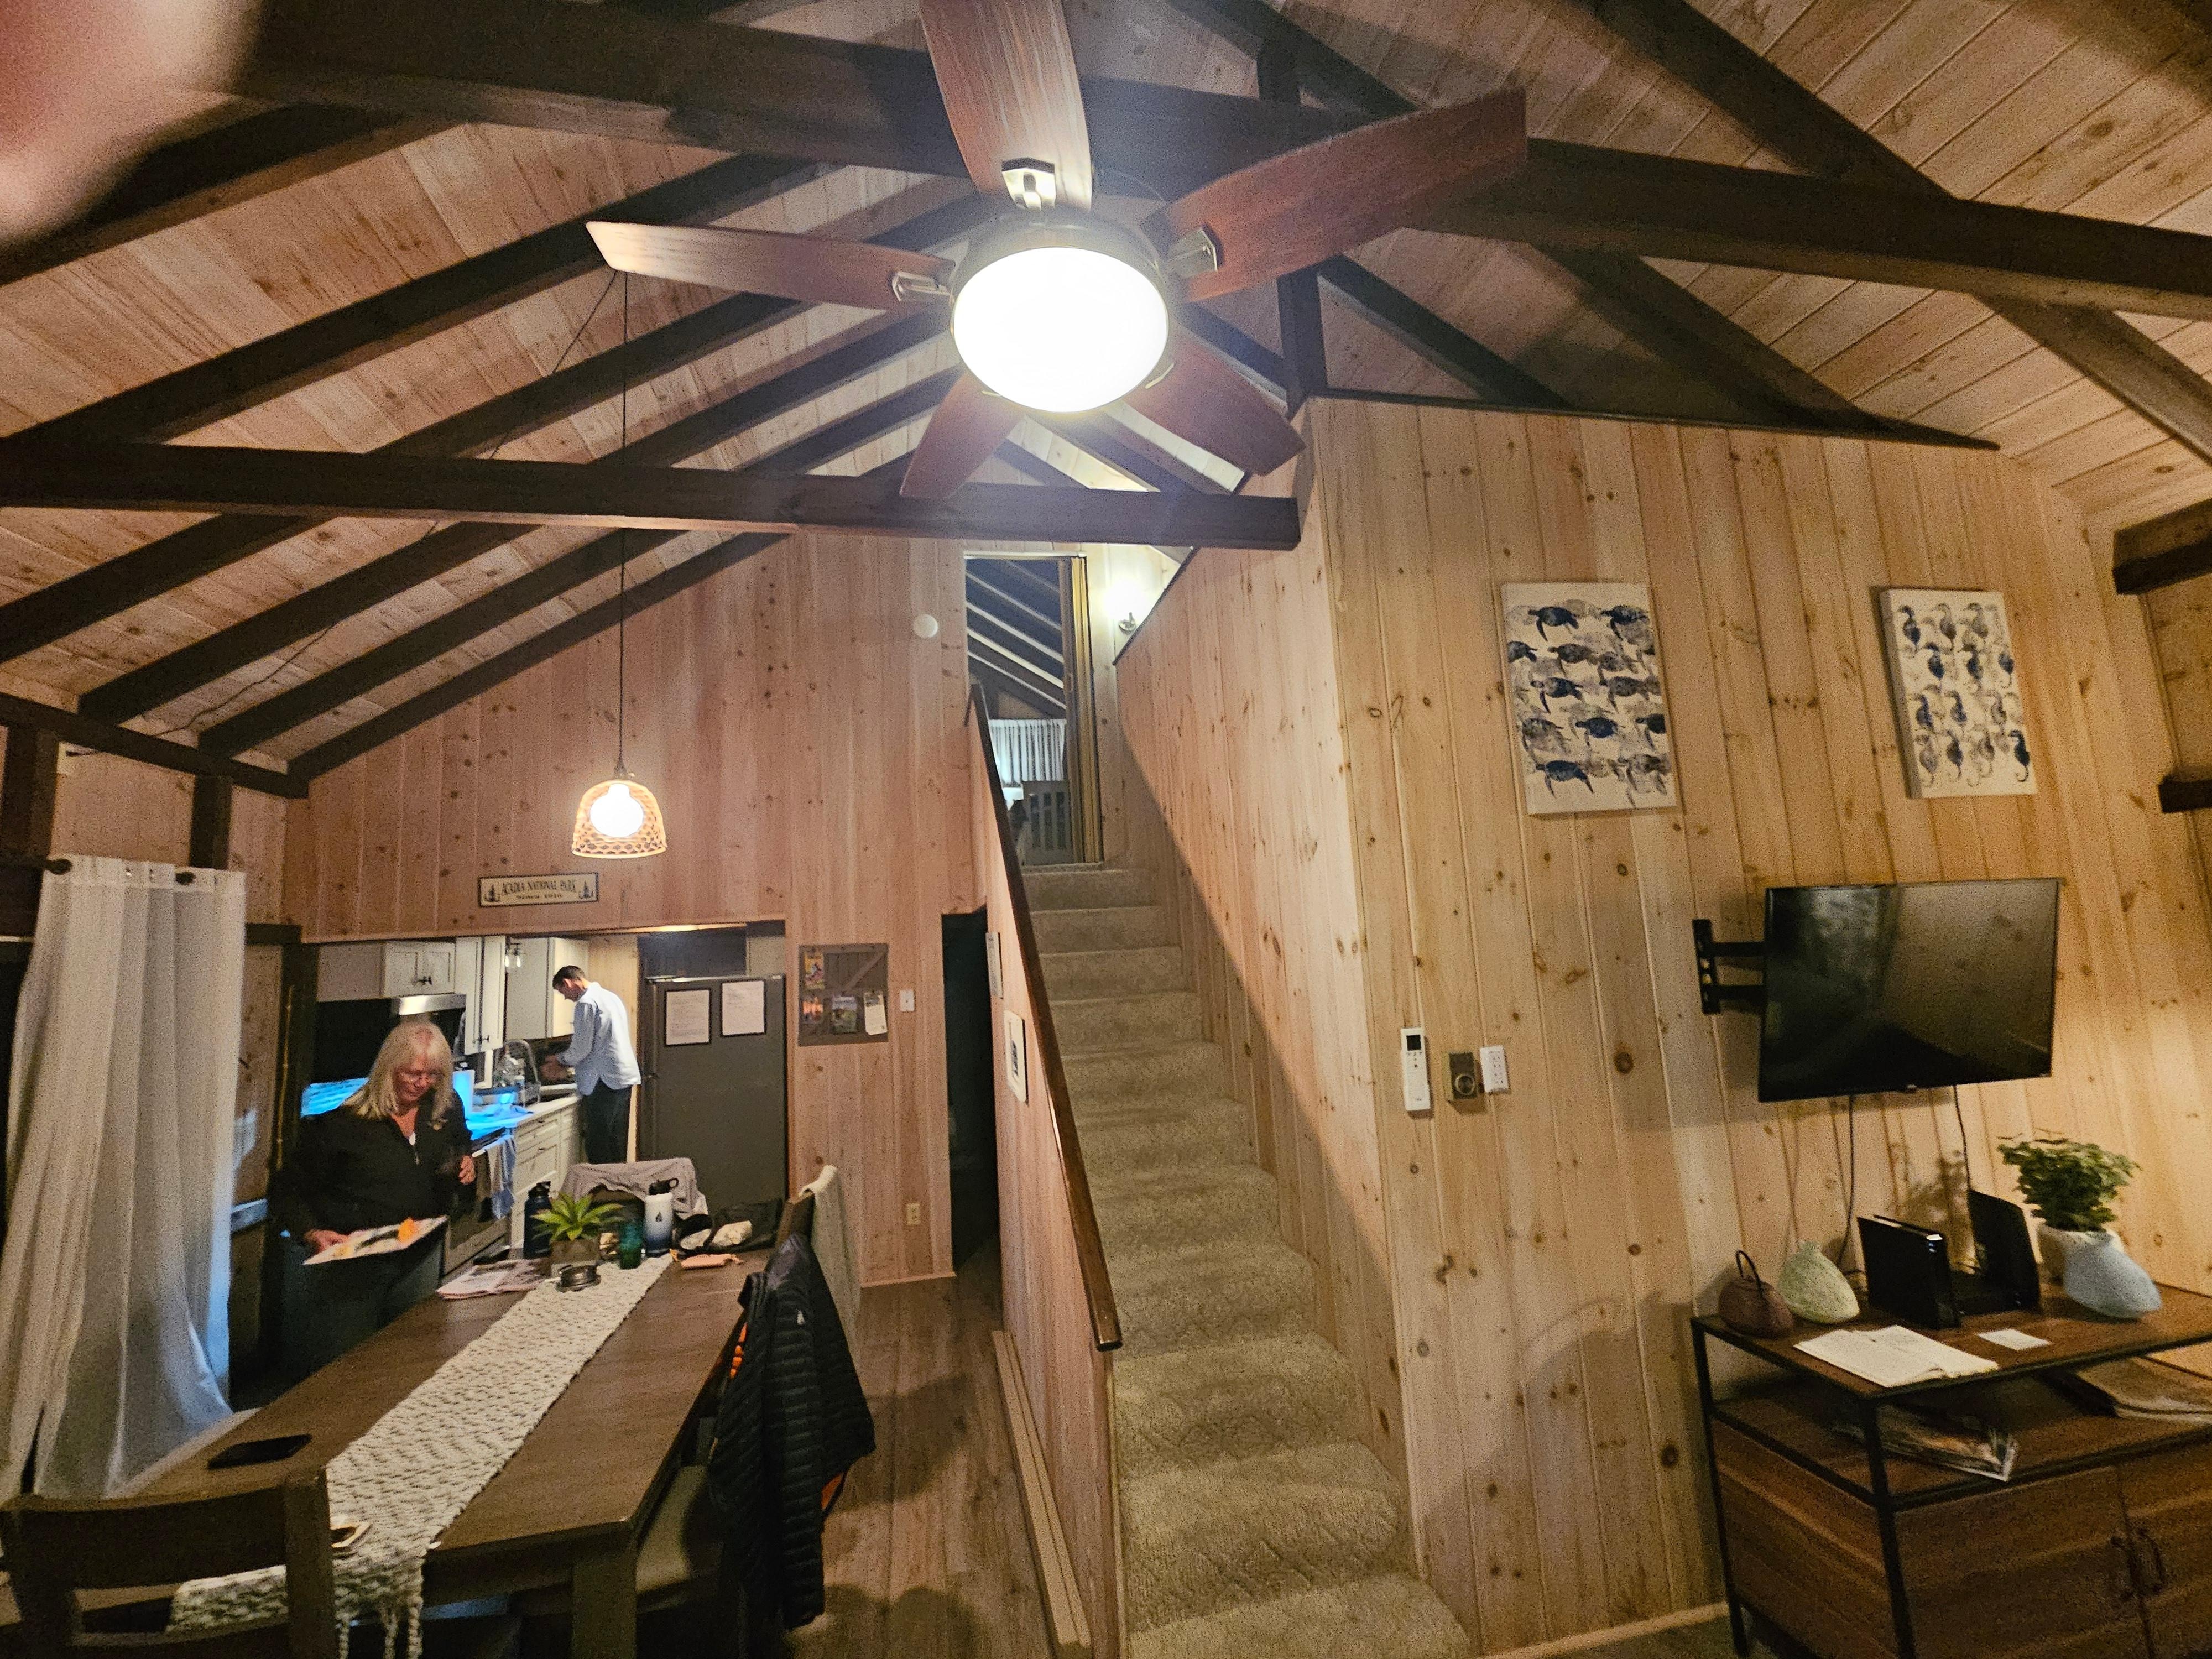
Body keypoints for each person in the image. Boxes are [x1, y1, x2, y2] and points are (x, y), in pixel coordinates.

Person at [270, 1019, 476, 1379]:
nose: (423, 1083)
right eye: (413, 1073)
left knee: (410, 1363)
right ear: (388, 1068)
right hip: (355, 1267)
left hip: (420, 1254)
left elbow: (460, 1141)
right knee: (351, 1369)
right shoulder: (341, 1125)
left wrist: (466, 1161)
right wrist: (311, 1232)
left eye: (432, 1075)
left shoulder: (444, 1108)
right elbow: (287, 1191)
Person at [542, 964, 641, 1165]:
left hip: (603, 1081)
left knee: (598, 1144)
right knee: (616, 1141)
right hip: (623, 1076)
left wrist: (559, 1060)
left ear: (568, 983)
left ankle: (600, 1183)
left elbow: (582, 1048)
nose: (566, 998)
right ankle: (618, 1183)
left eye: (563, 992)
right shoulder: (611, 997)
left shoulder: (586, 1003)